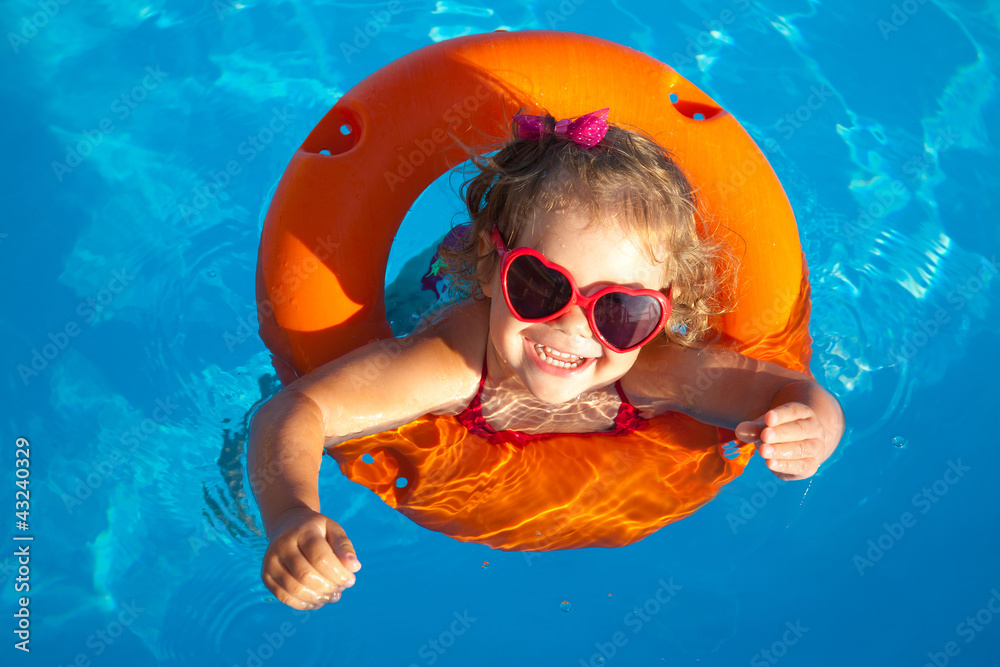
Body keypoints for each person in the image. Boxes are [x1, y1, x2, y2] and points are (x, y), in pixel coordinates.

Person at [248, 108, 844, 610]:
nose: (571, 324)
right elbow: (296, 408)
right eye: (539, 285)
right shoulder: (455, 357)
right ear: (492, 265)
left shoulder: (655, 369)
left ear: (666, 310)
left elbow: (790, 393)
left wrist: (812, 427)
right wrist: (288, 513)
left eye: (620, 311)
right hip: (429, 296)